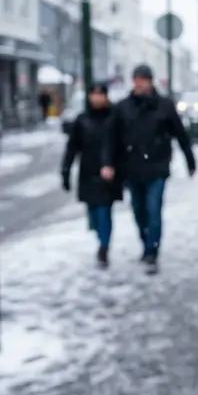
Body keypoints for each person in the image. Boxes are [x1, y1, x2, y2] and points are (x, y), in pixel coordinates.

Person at [101, 64, 196, 273]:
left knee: (154, 210)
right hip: (132, 167)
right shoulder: (123, 107)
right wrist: (108, 163)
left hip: (157, 166)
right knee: (139, 211)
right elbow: (111, 138)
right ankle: (146, 243)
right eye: (136, 79)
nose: (139, 83)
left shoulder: (164, 106)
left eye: (143, 79)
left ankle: (152, 251)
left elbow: (180, 134)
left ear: (150, 81)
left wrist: (190, 160)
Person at [61, 84, 123, 267]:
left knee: (104, 211)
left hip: (108, 172)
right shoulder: (82, 120)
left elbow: (121, 144)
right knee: (94, 213)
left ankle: (104, 247)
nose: (96, 98)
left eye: (100, 95)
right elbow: (72, 147)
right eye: (93, 94)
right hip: (88, 172)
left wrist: (118, 167)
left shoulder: (114, 118)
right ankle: (101, 238)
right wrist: (65, 170)